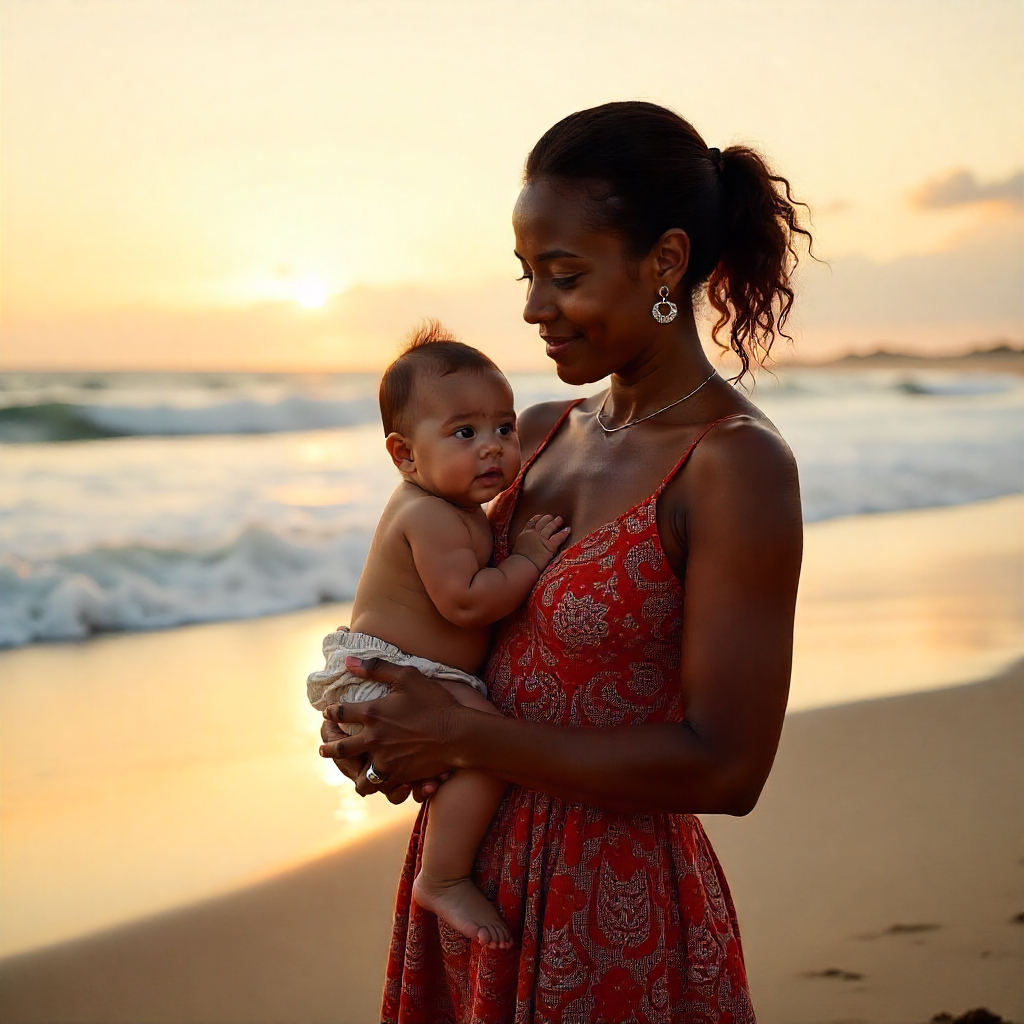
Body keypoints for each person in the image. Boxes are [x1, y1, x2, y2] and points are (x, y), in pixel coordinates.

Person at [320, 100, 810, 1024]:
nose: (534, 308)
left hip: (606, 904)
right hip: (468, 875)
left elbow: (728, 770)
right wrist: (377, 724)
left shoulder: (733, 464)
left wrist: (461, 736)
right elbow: (447, 619)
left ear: (664, 262)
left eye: (564, 274)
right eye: (526, 274)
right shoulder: (539, 437)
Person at [307, 324, 570, 950]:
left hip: (411, 672)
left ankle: (445, 866)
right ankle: (443, 876)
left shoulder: (451, 504)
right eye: (464, 433)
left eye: (504, 429)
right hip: (386, 673)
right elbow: (467, 602)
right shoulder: (427, 514)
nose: (493, 449)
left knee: (479, 742)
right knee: (489, 746)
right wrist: (529, 561)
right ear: (404, 455)